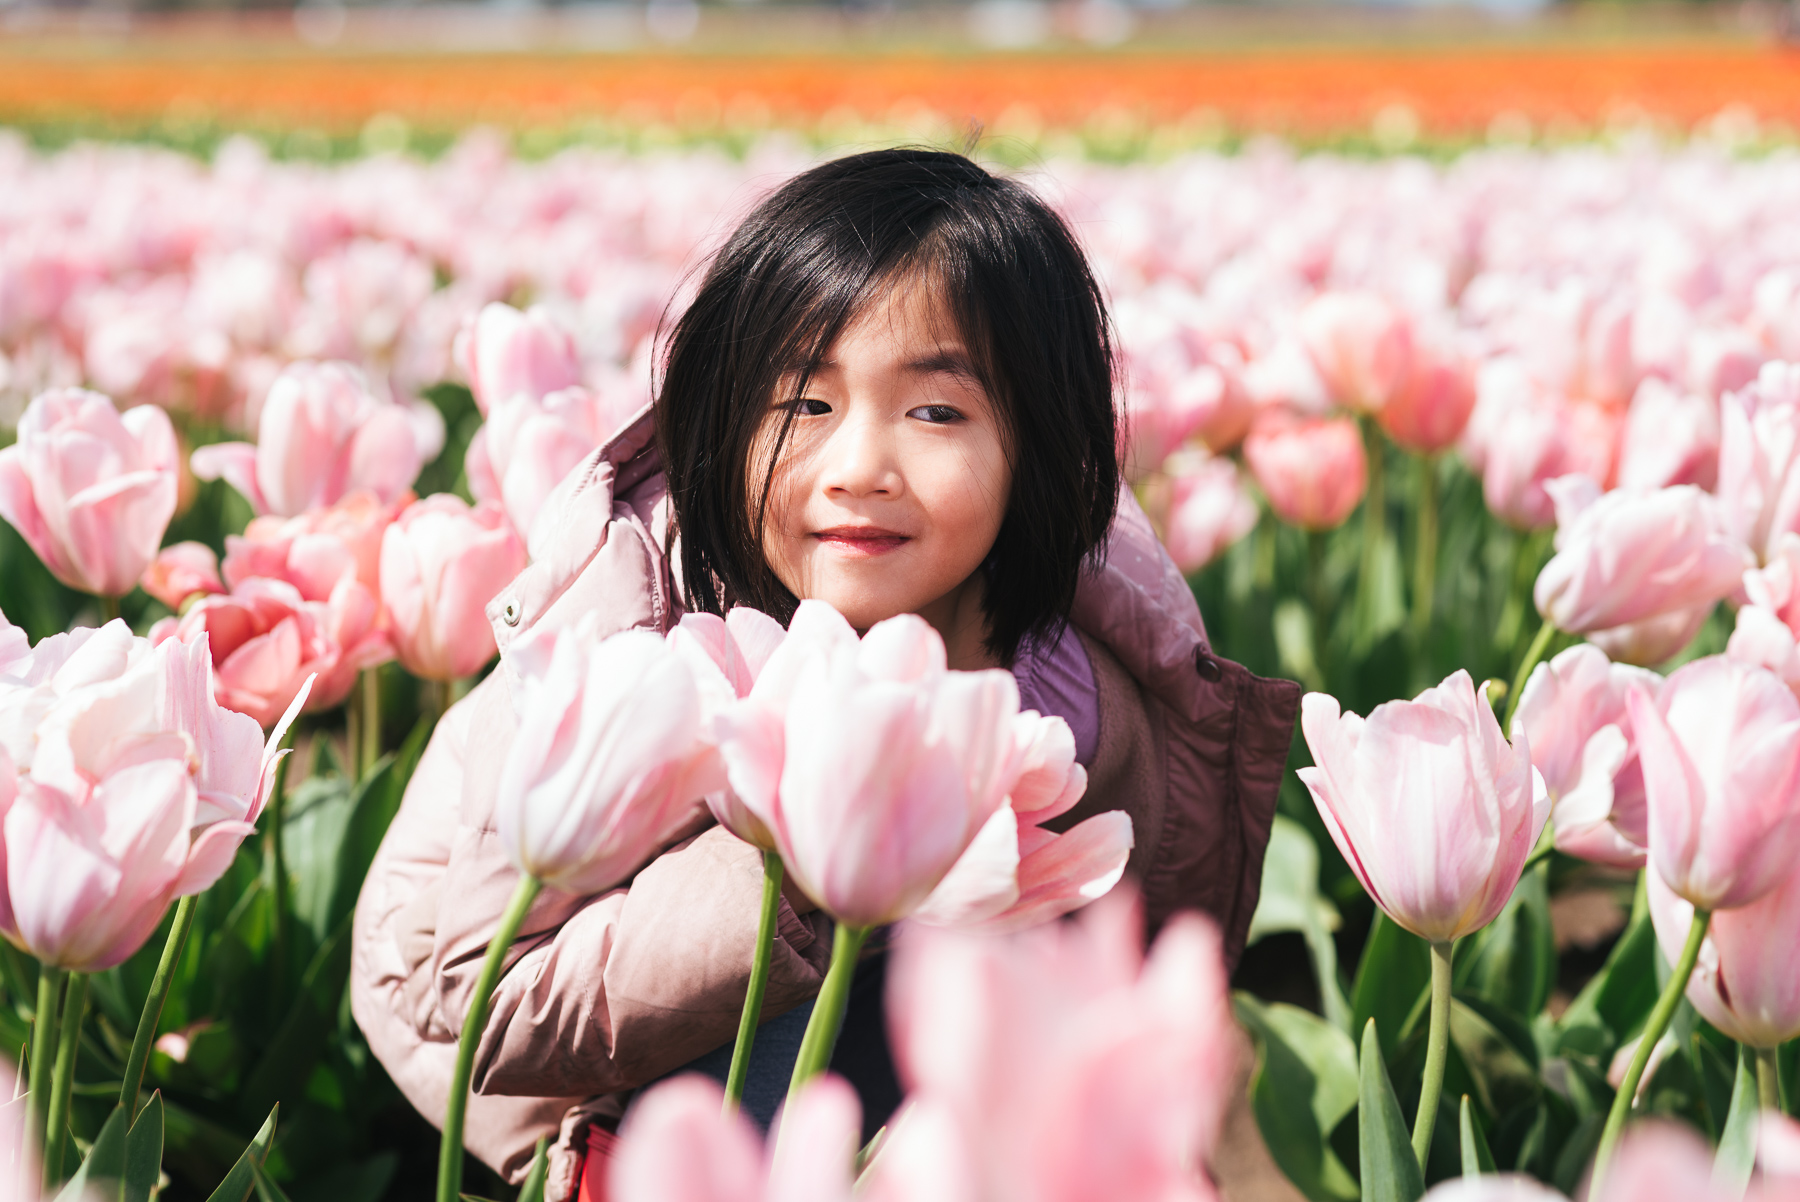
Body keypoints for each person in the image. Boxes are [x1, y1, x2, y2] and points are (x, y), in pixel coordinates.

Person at [349, 148, 1300, 1202]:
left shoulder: (1075, 679)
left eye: (935, 412)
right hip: (549, 1045)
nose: (858, 465)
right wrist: (793, 862)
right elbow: (475, 999)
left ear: (1034, 444)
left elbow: (1133, 926)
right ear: (722, 417)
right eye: (803, 403)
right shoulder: (633, 644)